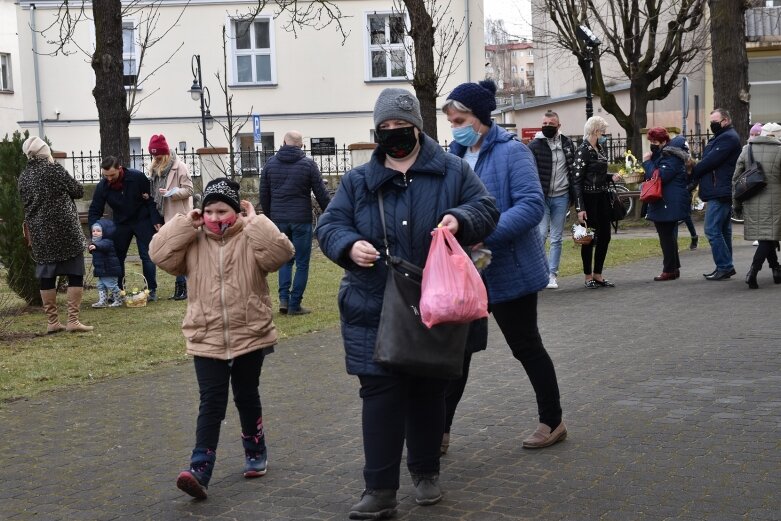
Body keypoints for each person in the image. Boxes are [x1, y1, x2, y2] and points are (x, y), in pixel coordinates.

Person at [316, 88, 498, 520]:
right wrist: (349, 245)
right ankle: (379, 490)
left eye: (403, 128)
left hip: (434, 304)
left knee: (427, 390)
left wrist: (460, 218)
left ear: (418, 128)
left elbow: (486, 208)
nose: (395, 135)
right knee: (379, 394)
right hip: (372, 305)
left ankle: (426, 471)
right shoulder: (358, 180)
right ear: (376, 132)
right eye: (386, 129)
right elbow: (329, 224)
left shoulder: (453, 171)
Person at [149, 178, 294, 500]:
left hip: (249, 332)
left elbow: (281, 254)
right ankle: (200, 468)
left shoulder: (251, 236)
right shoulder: (193, 240)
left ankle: (255, 447)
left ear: (237, 210)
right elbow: (159, 254)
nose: (216, 217)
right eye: (209, 210)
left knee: (246, 395)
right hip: (206, 333)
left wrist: (255, 222)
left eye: (223, 210)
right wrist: (186, 224)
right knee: (211, 402)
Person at [442, 79, 566, 453]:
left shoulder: (513, 153)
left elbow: (530, 206)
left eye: (460, 119)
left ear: (480, 117)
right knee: (456, 355)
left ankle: (553, 421)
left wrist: (485, 233)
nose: (455, 128)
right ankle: (440, 431)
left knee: (525, 346)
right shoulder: (454, 156)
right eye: (451, 121)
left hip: (509, 269)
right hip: (467, 273)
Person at [18, 135, 93, 333]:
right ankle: (73, 321)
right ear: (45, 152)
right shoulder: (55, 170)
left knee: (46, 275)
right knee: (75, 272)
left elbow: (24, 203)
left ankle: (52, 322)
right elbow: (77, 190)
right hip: (65, 228)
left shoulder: (24, 176)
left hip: (40, 231)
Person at [260, 130, 331, 315]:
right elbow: (321, 193)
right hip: (301, 219)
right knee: (302, 262)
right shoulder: (308, 164)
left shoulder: (270, 164)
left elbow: (264, 194)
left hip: (279, 219)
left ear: (283, 142)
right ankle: (295, 304)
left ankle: (283, 300)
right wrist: (331, 213)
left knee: (285, 260)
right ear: (301, 145)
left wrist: (269, 216)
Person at [88, 156, 163, 299]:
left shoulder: (137, 177)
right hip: (121, 223)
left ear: (119, 169)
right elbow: (95, 210)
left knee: (147, 256)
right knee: (117, 256)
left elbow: (151, 199)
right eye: (106, 176)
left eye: (112, 175)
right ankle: (118, 291)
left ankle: (151, 290)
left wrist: (155, 219)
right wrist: (94, 228)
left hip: (143, 220)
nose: (109, 179)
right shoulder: (103, 186)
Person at [690, 108, 742, 280]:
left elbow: (710, 161)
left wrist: (693, 171)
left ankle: (725, 266)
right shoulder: (722, 137)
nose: (712, 124)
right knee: (723, 230)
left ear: (725, 120)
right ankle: (726, 265)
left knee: (712, 229)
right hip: (719, 189)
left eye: (715, 121)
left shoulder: (728, 137)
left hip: (719, 190)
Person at [527, 110, 577, 289]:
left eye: (551, 124)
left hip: (562, 196)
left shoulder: (568, 144)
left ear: (559, 126)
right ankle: (537, 272)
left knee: (556, 237)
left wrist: (574, 196)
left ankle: (552, 274)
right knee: (540, 234)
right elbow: (529, 172)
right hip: (542, 196)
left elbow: (573, 171)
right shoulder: (534, 145)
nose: (547, 126)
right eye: (545, 123)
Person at [573, 116, 624, 288]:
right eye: (603, 131)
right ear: (596, 131)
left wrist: (611, 176)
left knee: (605, 236)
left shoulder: (600, 149)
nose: (605, 135)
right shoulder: (583, 150)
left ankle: (598, 274)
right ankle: (588, 276)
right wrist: (579, 208)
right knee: (587, 238)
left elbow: (599, 173)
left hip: (602, 196)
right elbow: (577, 180)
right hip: (588, 198)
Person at [733, 122, 781, 289]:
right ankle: (753, 271)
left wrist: (736, 203)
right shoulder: (780, 150)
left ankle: (776, 269)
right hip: (775, 202)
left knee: (765, 237)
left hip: (751, 200)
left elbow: (736, 179)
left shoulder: (747, 149)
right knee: (768, 237)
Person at [148, 134, 194, 300]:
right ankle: (183, 288)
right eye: (153, 155)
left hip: (180, 216)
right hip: (166, 217)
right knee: (175, 252)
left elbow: (189, 190)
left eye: (158, 155)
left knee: (180, 251)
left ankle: (183, 288)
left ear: (165, 153)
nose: (156, 158)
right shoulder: (154, 171)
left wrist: (171, 194)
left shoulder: (180, 167)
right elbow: (155, 197)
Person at [642, 129, 692, 281]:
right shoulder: (667, 154)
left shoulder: (671, 156)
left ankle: (669, 269)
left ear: (663, 141)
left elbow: (659, 176)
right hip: (667, 200)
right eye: (650, 142)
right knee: (669, 235)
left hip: (668, 200)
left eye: (654, 142)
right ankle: (673, 268)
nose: (652, 145)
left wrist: (646, 162)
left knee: (666, 235)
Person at [88, 220, 123, 308]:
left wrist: (96, 246)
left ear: (105, 232)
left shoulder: (107, 241)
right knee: (100, 285)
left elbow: (104, 246)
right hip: (102, 270)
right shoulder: (96, 242)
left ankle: (119, 300)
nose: (95, 233)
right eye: (93, 231)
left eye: (98, 231)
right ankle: (102, 301)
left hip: (109, 269)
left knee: (111, 285)